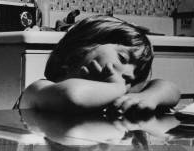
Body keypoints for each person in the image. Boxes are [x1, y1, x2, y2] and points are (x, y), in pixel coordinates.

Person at [16, 16, 180, 113]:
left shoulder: (114, 94)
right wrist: (118, 88)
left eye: (136, 73)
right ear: (78, 50)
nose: (131, 75)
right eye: (122, 58)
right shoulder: (38, 90)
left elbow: (170, 89)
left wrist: (148, 97)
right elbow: (72, 95)